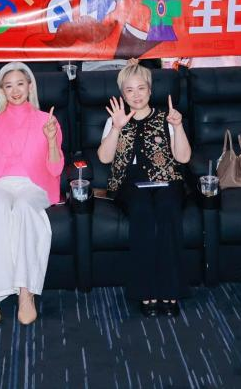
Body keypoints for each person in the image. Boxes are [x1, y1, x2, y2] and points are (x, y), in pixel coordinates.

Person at [0, 63, 63, 324]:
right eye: (9, 86)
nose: (15, 90)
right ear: (2, 91)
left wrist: (51, 140)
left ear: (30, 86)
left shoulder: (47, 120)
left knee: (24, 207)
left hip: (34, 185)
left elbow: (55, 169)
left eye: (20, 83)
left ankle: (25, 292)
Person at [98, 62, 192, 317]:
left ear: (150, 90)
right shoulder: (115, 120)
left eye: (141, 88)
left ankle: (170, 290)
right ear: (123, 94)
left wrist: (178, 126)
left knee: (168, 209)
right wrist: (116, 128)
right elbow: (104, 158)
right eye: (129, 90)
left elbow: (183, 158)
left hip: (167, 179)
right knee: (142, 212)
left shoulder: (167, 118)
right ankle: (146, 291)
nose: (136, 95)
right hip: (130, 183)